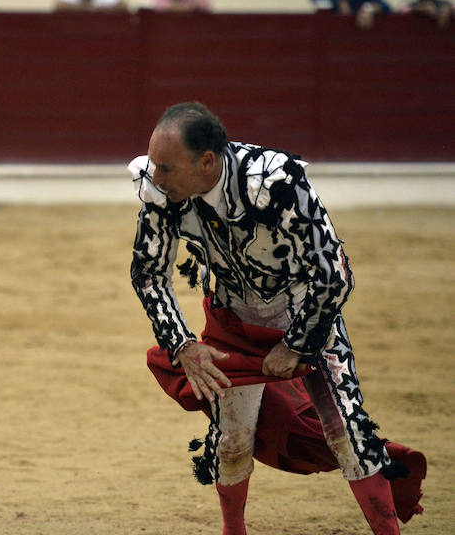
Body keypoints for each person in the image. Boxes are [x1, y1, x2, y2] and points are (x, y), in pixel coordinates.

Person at [129, 102, 422, 534]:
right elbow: (149, 274)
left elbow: (333, 274)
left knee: (349, 433)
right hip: (232, 322)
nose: (155, 177)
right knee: (231, 444)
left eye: (167, 168)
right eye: (154, 165)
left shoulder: (275, 182)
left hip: (305, 312)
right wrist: (184, 346)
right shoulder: (162, 192)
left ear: (206, 161)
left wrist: (298, 343)